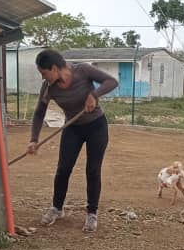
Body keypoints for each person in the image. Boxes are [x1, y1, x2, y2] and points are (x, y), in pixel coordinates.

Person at [27, 49, 118, 233]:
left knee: (92, 170)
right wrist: (33, 139)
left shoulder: (83, 71)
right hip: (72, 128)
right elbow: (39, 112)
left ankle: (92, 213)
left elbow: (112, 81)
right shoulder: (48, 87)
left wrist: (94, 95)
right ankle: (57, 208)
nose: (43, 78)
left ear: (54, 68)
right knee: (63, 169)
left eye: (44, 73)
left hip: (96, 126)